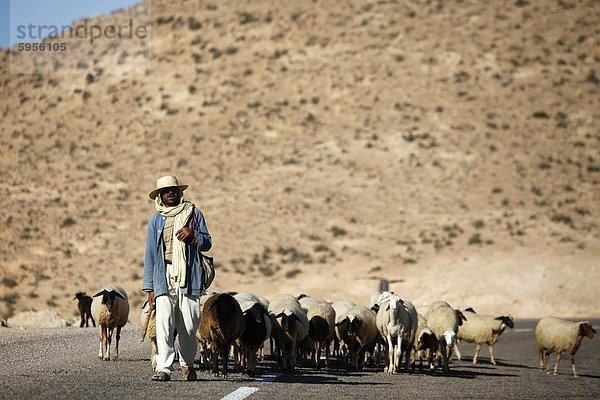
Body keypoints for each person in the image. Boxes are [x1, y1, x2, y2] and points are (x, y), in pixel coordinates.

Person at [142, 175, 212, 381]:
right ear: (160, 196)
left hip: (189, 275)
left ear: (179, 192)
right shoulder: (156, 220)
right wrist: (149, 287)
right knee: (164, 323)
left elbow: (207, 243)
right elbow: (151, 255)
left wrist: (193, 235)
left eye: (173, 189)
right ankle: (164, 368)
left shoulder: (193, 213)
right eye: (166, 191)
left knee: (189, 324)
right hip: (163, 276)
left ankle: (187, 364)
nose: (170, 193)